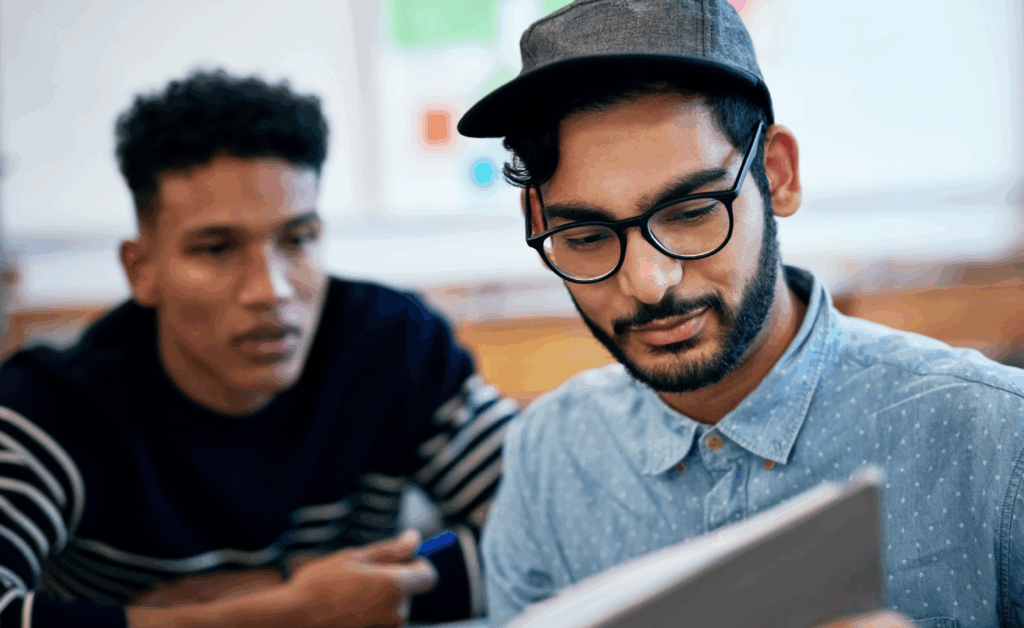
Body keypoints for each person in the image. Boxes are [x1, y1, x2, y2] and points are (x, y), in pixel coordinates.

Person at [457, 1, 1024, 626]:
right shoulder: (551, 453)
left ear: (776, 177)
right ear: (540, 228)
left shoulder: (995, 435)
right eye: (588, 236)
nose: (649, 283)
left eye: (693, 211)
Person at [0, 70, 516, 627]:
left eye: (297, 240)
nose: (270, 289)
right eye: (217, 248)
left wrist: (290, 593)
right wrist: (284, 614)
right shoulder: (53, 406)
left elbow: (559, 520)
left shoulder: (397, 347)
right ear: (142, 269)